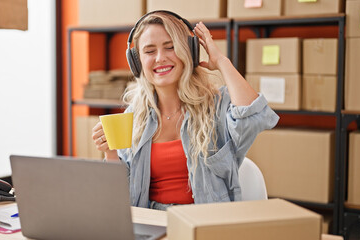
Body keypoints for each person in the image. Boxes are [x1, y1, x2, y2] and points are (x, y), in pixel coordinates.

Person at [92, 10, 279, 210]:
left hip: (206, 222)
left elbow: (253, 117)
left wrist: (222, 62)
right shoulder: (135, 115)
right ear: (137, 62)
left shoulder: (215, 105)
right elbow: (123, 196)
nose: (160, 58)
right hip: (153, 223)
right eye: (149, 51)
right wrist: (111, 153)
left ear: (188, 51)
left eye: (170, 47)